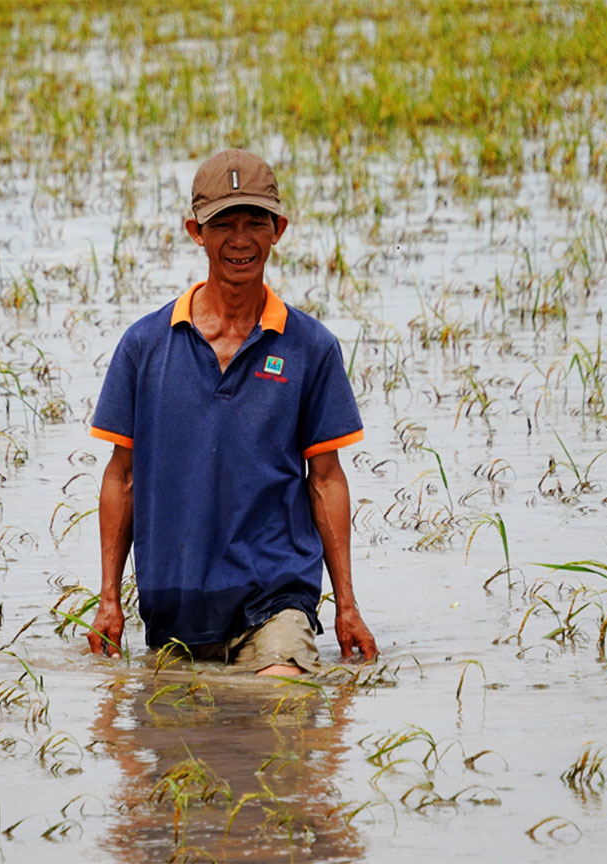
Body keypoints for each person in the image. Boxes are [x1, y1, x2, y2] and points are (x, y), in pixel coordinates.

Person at [87, 148, 377, 675]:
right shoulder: (145, 346)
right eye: (223, 224)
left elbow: (326, 480)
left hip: (276, 599)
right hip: (174, 611)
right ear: (196, 232)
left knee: (284, 699)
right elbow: (122, 477)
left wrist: (347, 606)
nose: (240, 240)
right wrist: (109, 598)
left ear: (277, 230)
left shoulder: (310, 348)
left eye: (255, 223)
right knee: (173, 723)